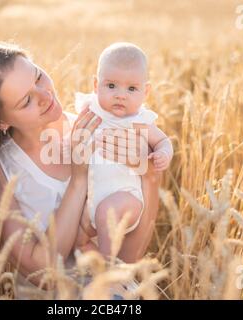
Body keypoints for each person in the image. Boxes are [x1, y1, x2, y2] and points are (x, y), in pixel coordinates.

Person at [0, 41, 164, 291]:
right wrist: (79, 180)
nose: (46, 96)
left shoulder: (99, 126)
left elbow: (127, 261)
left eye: (38, 77)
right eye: (27, 100)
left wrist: (150, 176)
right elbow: (43, 273)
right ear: (0, 120)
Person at [73, 42, 173, 260]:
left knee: (106, 212)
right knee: (75, 234)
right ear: (95, 85)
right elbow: (74, 133)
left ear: (145, 91)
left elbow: (163, 141)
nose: (120, 95)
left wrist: (163, 154)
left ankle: (108, 266)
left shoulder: (140, 121)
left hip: (125, 198)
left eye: (131, 89)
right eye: (111, 86)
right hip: (91, 198)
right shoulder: (91, 110)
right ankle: (97, 269)